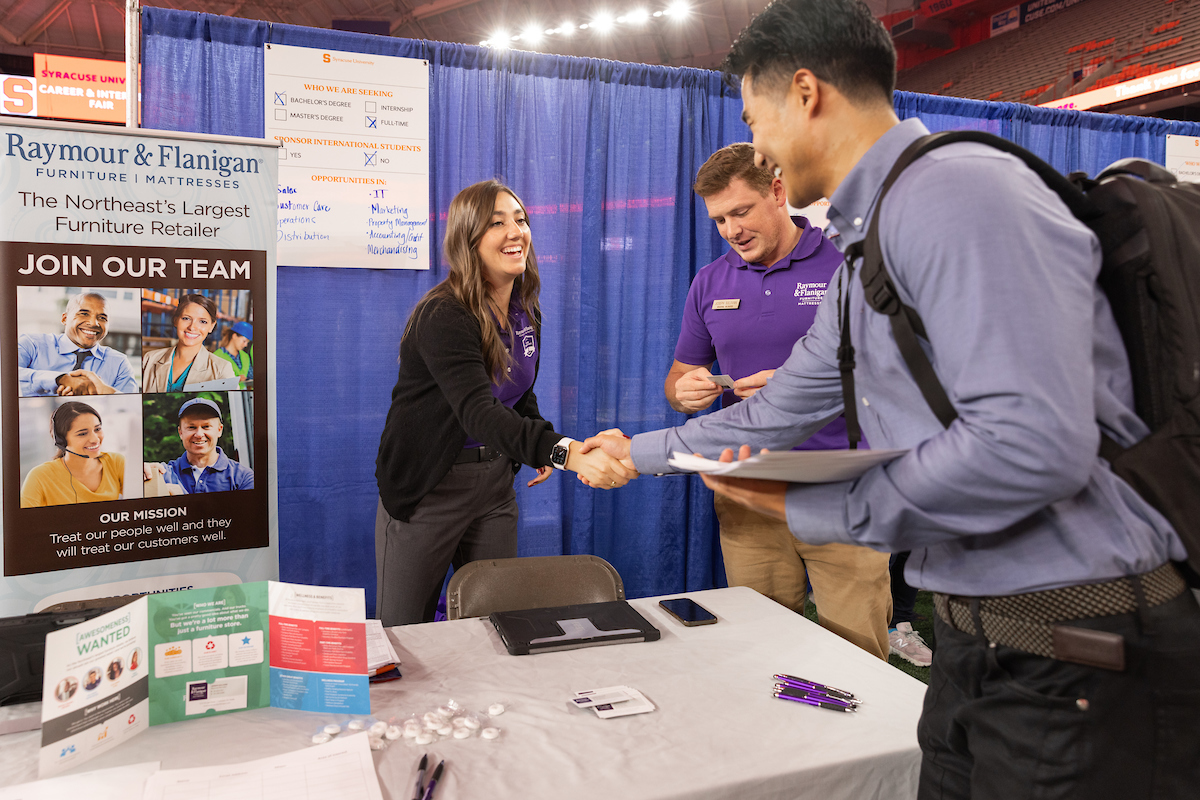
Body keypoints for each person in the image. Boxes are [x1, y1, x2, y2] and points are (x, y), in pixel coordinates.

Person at [582, 1, 1200, 796]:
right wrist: (638, 452)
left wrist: (813, 509)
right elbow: (778, 409)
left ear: (804, 92)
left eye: (753, 117)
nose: (759, 146)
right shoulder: (870, 240)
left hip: (1079, 649)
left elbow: (1029, 444)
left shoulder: (957, 194)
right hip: (982, 645)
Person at [374, 179, 635, 626]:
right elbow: (477, 410)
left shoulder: (523, 309)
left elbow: (517, 393)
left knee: (495, 625)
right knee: (404, 634)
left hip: (494, 486)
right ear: (468, 238)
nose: (515, 231)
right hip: (429, 489)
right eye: (497, 223)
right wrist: (562, 450)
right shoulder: (444, 314)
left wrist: (535, 438)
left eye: (521, 220)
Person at [668, 143, 890, 659]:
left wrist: (799, 385)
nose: (731, 230)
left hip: (842, 492)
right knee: (760, 655)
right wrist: (685, 393)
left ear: (777, 191)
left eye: (741, 212)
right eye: (720, 219)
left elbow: (895, 375)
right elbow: (679, 377)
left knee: (858, 661)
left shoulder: (847, 265)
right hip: (747, 494)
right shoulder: (710, 282)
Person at [18, 292, 138, 397]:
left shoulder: (119, 362)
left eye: (102, 317)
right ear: (64, 319)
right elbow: (6, 376)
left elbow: (132, 405)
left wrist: (105, 393)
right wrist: (61, 379)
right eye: (84, 313)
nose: (93, 323)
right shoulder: (31, 344)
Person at [20, 401, 125, 508]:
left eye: (97, 429)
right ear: (62, 440)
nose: (95, 439)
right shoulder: (39, 477)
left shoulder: (116, 462)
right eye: (82, 433)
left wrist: (142, 467)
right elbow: (24, 521)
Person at [143, 398, 253, 494]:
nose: (199, 435)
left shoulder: (243, 478)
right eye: (191, 427)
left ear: (219, 430)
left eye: (206, 426)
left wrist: (182, 500)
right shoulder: (163, 473)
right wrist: (141, 472)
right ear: (180, 432)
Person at [141, 294, 235, 393]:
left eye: (202, 321)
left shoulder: (221, 369)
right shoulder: (150, 359)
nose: (192, 327)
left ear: (211, 326)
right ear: (175, 320)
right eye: (186, 318)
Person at [212, 320, 253, 386]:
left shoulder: (245, 356)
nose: (245, 345)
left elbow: (251, 376)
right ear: (234, 336)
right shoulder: (217, 356)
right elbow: (212, 382)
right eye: (244, 341)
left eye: (247, 343)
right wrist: (234, 380)